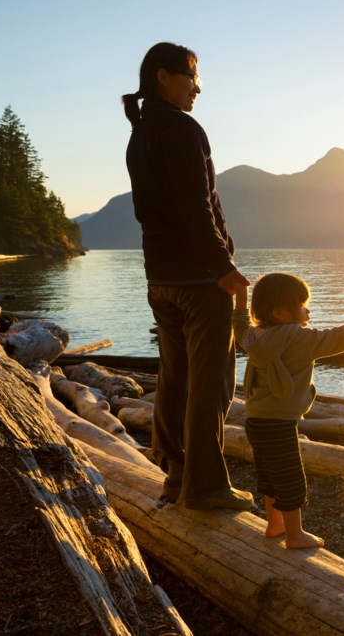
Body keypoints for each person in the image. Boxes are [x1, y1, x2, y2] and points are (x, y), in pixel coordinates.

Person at [122, 42, 252, 510]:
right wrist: (224, 268)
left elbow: (153, 212)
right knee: (212, 383)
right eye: (191, 76)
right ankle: (206, 487)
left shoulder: (142, 132)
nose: (198, 87)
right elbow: (197, 209)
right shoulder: (181, 128)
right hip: (200, 280)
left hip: (161, 278)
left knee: (175, 379)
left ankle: (177, 477)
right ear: (163, 76)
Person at [232, 272, 344, 548]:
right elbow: (337, 337)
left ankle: (275, 525)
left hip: (255, 420)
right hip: (280, 422)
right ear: (279, 311)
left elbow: (239, 325)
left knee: (270, 473)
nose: (307, 310)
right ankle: (295, 535)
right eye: (301, 305)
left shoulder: (254, 337)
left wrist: (240, 298)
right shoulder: (299, 338)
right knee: (291, 477)